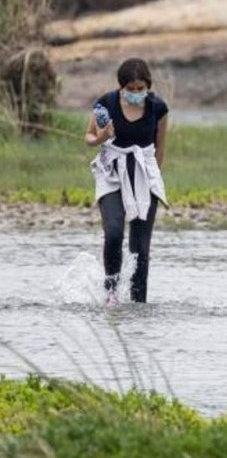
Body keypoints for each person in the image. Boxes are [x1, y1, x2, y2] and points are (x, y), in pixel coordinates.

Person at [84, 58, 169, 305]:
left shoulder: (158, 108)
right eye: (130, 89)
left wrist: (153, 184)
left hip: (144, 172)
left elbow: (159, 150)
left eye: (140, 88)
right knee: (113, 233)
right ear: (121, 87)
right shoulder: (106, 104)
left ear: (147, 86)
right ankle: (111, 294)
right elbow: (88, 137)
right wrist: (101, 136)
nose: (135, 94)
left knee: (140, 248)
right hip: (112, 172)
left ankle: (138, 304)